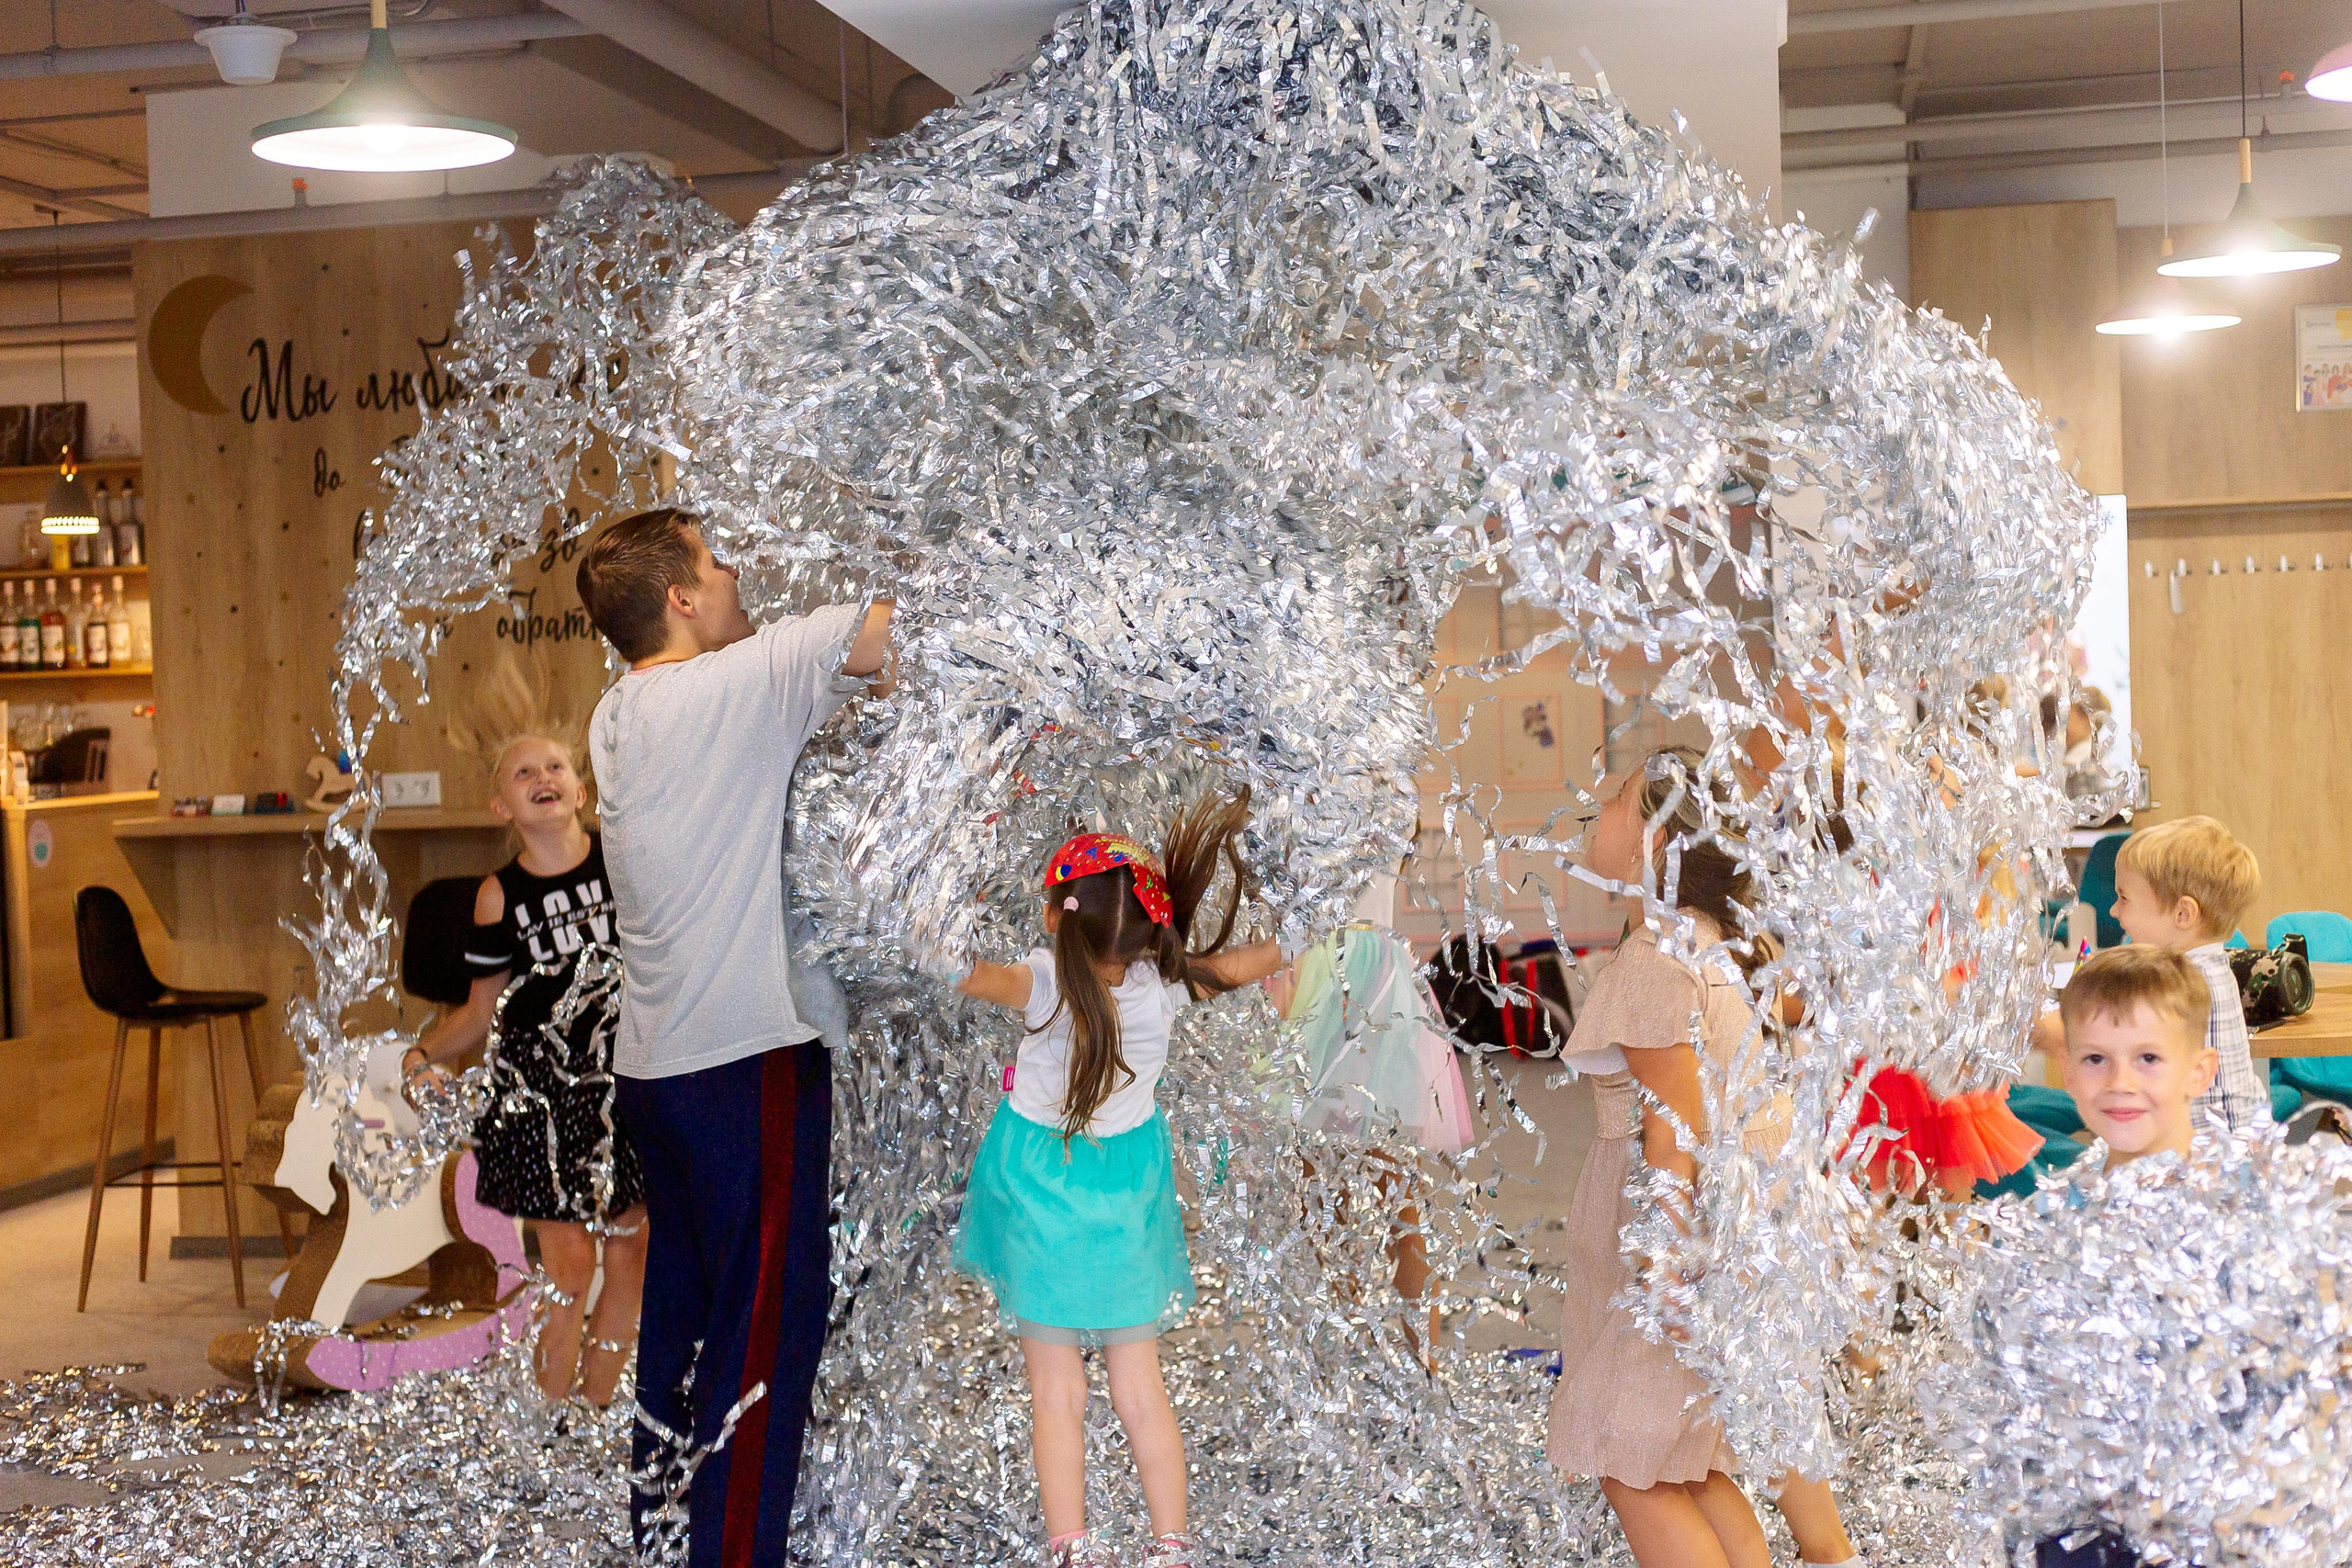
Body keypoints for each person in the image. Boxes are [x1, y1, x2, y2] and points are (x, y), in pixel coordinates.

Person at [578, 508, 892, 1567]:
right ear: (679, 598)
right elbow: (901, 633)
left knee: (683, 1323)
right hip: (742, 1060)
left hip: (656, 1068)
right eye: (716, 563)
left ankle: (665, 1542)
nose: (736, 573)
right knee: (763, 1337)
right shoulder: (741, 681)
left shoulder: (618, 714)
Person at [1548, 748, 1861, 1568]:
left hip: (1682, 1226)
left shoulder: (1656, 960)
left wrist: (1665, 1262)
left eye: (1617, 798)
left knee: (1631, 1458)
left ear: (1653, 839)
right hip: (1729, 1219)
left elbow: (1674, 1127)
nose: (1598, 805)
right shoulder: (1707, 940)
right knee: (1686, 1456)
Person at [952, 801, 1285, 1568]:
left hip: (1040, 1189)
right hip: (1126, 1196)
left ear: (1054, 917)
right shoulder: (1163, 985)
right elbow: (1244, 966)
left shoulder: (1042, 981)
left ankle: (1074, 1550)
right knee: (1141, 1388)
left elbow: (969, 973)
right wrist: (1301, 933)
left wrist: (917, 929)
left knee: (1056, 1390)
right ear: (1142, 930)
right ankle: (1171, 1546)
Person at [401, 726, 646, 1405]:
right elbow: (480, 1011)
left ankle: (594, 1406)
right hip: (541, 1096)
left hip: (622, 1080)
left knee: (632, 1250)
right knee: (571, 1265)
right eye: (523, 773)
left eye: (556, 767)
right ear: (500, 807)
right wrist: (422, 1054)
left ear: (581, 790)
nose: (543, 778)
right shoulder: (499, 895)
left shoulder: (621, 862)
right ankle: (548, 1412)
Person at [2031, 945, 2221, 1567]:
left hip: (2209, 1523)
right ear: (2066, 1070)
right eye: (2096, 1059)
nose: (2120, 1082)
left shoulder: (2238, 1211)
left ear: (2199, 1071)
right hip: (2083, 1523)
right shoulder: (2056, 1216)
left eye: (2148, 1058)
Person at [2107, 817, 2268, 1134]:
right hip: (2231, 1137)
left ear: (2183, 914)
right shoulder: (2211, 967)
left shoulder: (2183, 984)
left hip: (2211, 1149)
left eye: (2124, 898)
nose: (2114, 910)